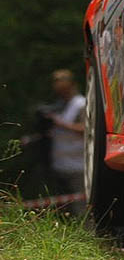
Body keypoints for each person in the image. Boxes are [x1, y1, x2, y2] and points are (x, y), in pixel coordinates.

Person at [46, 70, 86, 207]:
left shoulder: (80, 104)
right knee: (64, 208)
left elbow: (86, 129)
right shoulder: (61, 105)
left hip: (79, 166)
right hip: (61, 166)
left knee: (81, 207)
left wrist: (61, 124)